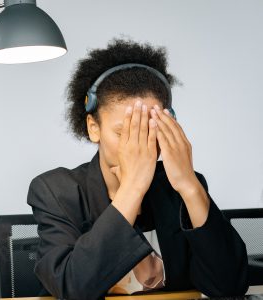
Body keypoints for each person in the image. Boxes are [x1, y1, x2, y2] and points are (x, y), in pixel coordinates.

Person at [27, 39, 249, 300]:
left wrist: (189, 186)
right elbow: (74, 288)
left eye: (148, 130)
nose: (137, 144)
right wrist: (133, 187)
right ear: (93, 127)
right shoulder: (56, 191)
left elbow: (229, 286)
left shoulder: (179, 187)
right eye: (123, 132)